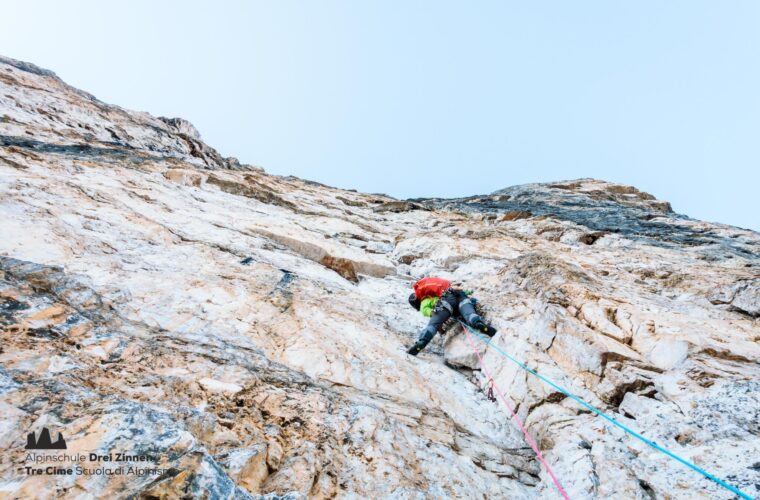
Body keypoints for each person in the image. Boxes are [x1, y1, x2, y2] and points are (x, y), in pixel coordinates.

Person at [406, 276, 497, 356]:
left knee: (433, 325)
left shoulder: (425, 301)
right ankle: (477, 322)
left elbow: (430, 313)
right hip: (460, 295)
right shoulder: (440, 290)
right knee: (469, 314)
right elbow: (464, 291)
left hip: (447, 303)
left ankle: (422, 342)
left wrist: (437, 321)